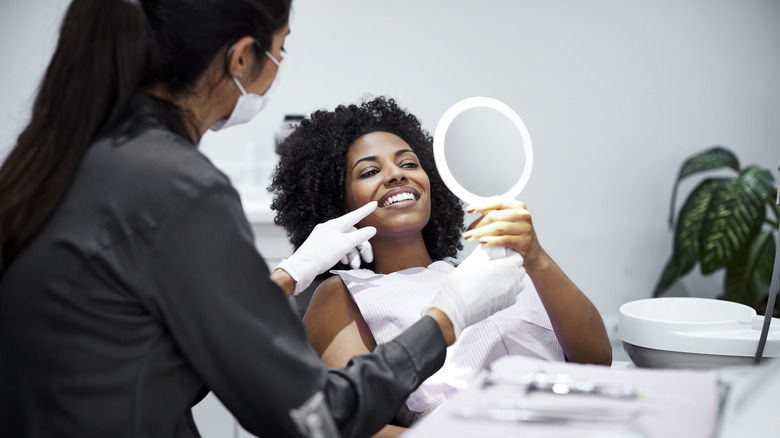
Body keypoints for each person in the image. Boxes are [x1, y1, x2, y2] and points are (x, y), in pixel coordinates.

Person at [0, 1, 529, 437]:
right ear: (241, 58)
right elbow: (314, 417)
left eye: (409, 163)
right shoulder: (179, 189)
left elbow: (160, 357)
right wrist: (449, 315)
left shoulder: (61, 157)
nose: (396, 177)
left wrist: (287, 275)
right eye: (281, 48)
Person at [270, 96, 613, 436]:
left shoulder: (493, 273)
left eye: (409, 164)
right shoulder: (345, 293)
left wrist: (536, 258)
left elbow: (596, 361)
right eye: (370, 171)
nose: (396, 176)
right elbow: (351, 429)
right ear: (337, 201)